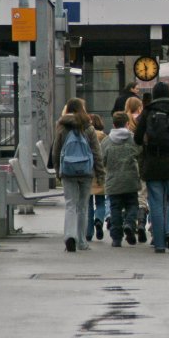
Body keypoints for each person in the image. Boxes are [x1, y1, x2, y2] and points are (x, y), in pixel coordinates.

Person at [133, 82, 169, 253]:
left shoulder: (148, 111)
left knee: (156, 204)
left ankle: (159, 243)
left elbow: (136, 139)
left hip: (153, 164)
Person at [52, 98, 105, 252]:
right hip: (86, 171)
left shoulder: (62, 126)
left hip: (68, 170)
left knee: (70, 204)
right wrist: (100, 173)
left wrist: (58, 170)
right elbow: (96, 152)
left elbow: (56, 151)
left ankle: (69, 236)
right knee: (82, 206)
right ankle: (81, 241)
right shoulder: (88, 127)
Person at [102, 111, 142, 247]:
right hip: (130, 179)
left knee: (115, 209)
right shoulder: (133, 139)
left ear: (113, 124)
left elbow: (102, 160)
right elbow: (140, 154)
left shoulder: (106, 141)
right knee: (133, 205)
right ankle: (130, 224)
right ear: (127, 123)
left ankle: (116, 238)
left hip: (113, 181)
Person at [125, 96, 150, 243]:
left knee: (128, 197)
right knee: (142, 196)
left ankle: (129, 223)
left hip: (126, 167)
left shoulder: (124, 122)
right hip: (141, 165)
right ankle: (141, 223)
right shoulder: (142, 120)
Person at [86, 114, 109, 242]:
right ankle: (99, 219)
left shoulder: (86, 136)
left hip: (88, 172)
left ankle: (88, 232)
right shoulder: (104, 138)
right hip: (100, 172)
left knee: (88, 203)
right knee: (101, 201)